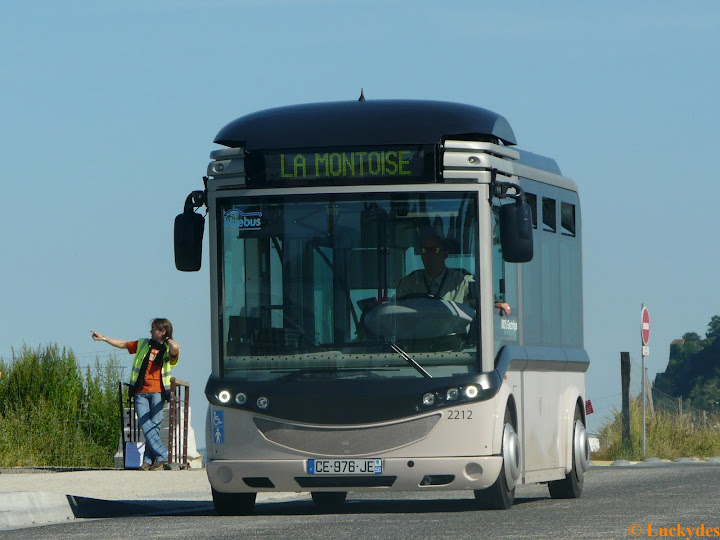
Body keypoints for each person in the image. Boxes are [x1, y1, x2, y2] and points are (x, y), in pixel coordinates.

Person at [91, 318, 180, 471]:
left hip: (158, 392)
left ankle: (147, 461)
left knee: (155, 427)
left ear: (162, 331)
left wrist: (168, 338)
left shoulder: (167, 347)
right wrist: (104, 338)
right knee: (146, 425)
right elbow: (122, 344)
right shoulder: (143, 344)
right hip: (140, 392)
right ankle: (163, 455)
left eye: (154, 329)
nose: (150, 331)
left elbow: (176, 347)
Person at [396, 234, 511, 316]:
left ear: (445, 254)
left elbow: (481, 301)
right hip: (415, 345)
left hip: (457, 345)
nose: (430, 255)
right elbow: (397, 312)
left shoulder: (463, 281)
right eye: (426, 251)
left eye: (435, 250)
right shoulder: (409, 284)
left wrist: (496, 305)